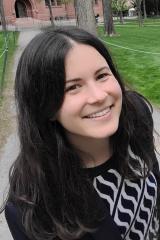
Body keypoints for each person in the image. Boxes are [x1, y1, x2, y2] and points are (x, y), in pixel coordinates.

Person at [1, 26, 160, 240]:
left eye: (102, 75)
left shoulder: (135, 115)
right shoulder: (33, 207)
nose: (98, 96)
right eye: (73, 87)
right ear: (45, 107)